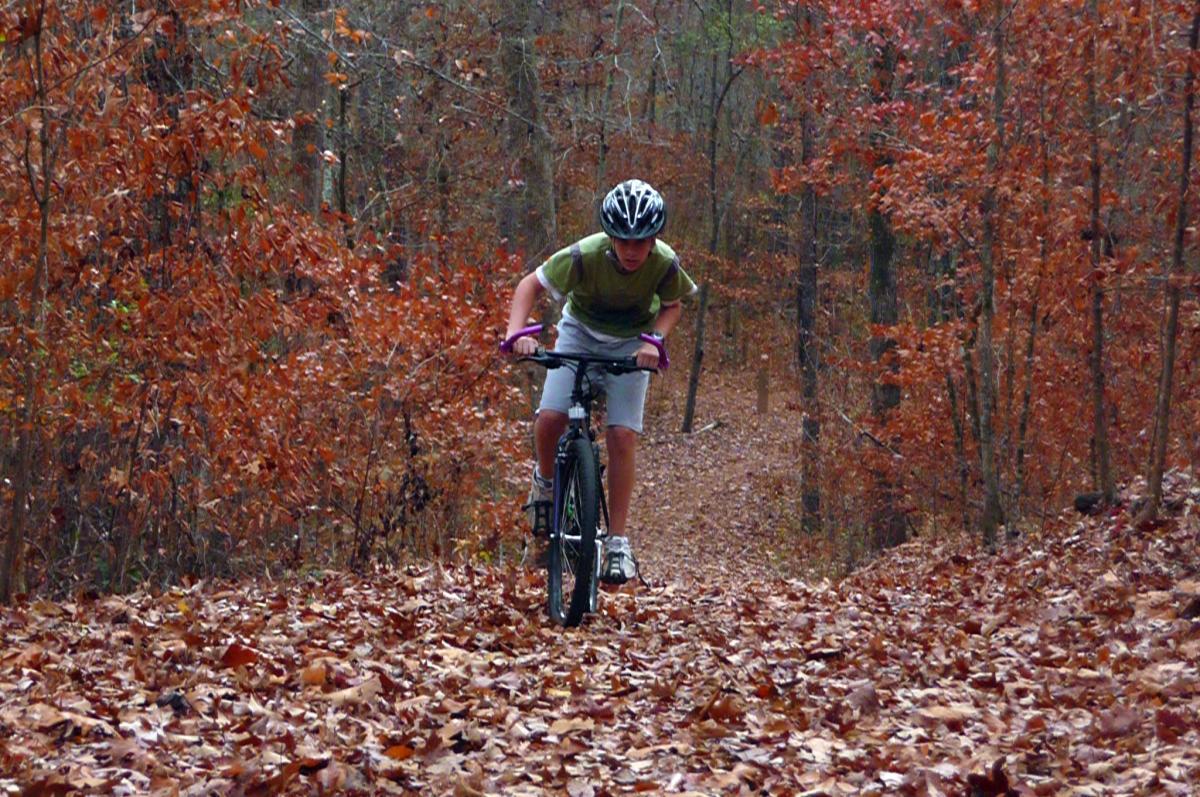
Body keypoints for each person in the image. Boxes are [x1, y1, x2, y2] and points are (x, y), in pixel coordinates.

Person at [502, 179, 696, 583]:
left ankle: (618, 543)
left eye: (640, 242)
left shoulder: (665, 264)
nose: (631, 250)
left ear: (654, 240)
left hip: (632, 342)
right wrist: (516, 334)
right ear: (609, 237)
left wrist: (655, 341)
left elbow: (673, 307)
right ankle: (545, 484)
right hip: (580, 331)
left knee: (622, 434)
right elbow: (529, 286)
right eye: (622, 240)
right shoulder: (583, 255)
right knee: (552, 416)